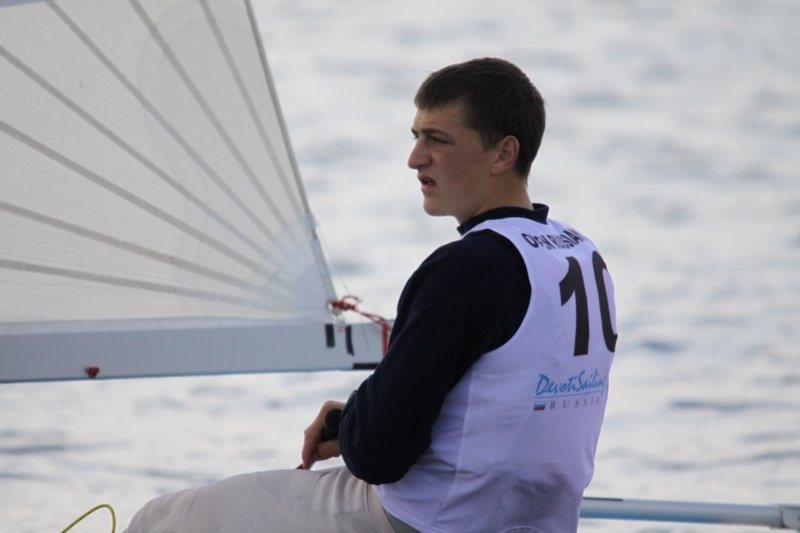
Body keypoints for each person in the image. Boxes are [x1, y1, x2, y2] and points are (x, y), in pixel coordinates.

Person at [126, 57, 617, 533]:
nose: (414, 158)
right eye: (415, 137)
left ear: (504, 154)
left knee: (158, 520)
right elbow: (501, 404)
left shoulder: (463, 269)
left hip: (426, 520)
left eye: (437, 140)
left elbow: (380, 455)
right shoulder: (582, 253)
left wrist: (354, 423)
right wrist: (352, 421)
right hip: (536, 520)